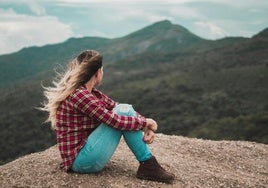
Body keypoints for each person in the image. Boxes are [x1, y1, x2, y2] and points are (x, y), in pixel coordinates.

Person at [41, 50, 175, 183]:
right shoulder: (79, 95)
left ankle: (148, 164)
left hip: (85, 154)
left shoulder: (91, 93)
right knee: (121, 115)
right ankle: (148, 164)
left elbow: (118, 107)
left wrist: (146, 125)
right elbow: (113, 120)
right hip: (81, 161)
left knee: (124, 108)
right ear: (97, 72)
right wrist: (146, 122)